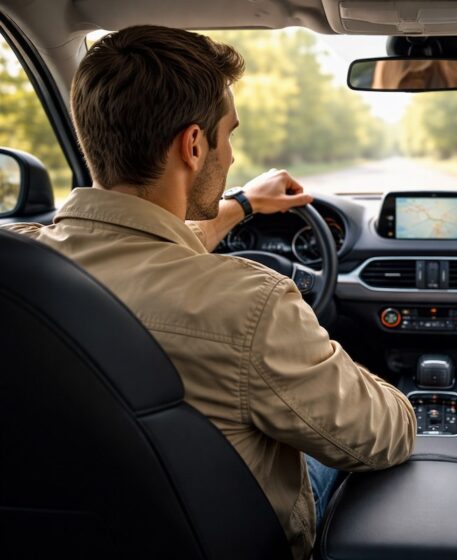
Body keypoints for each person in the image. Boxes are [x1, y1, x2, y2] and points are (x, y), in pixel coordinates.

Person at [2, 26, 416, 560]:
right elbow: (380, 436)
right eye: (230, 134)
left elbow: (135, 244)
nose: (233, 156)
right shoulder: (251, 304)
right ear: (194, 145)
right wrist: (398, 397)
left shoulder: (17, 271)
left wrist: (243, 205)